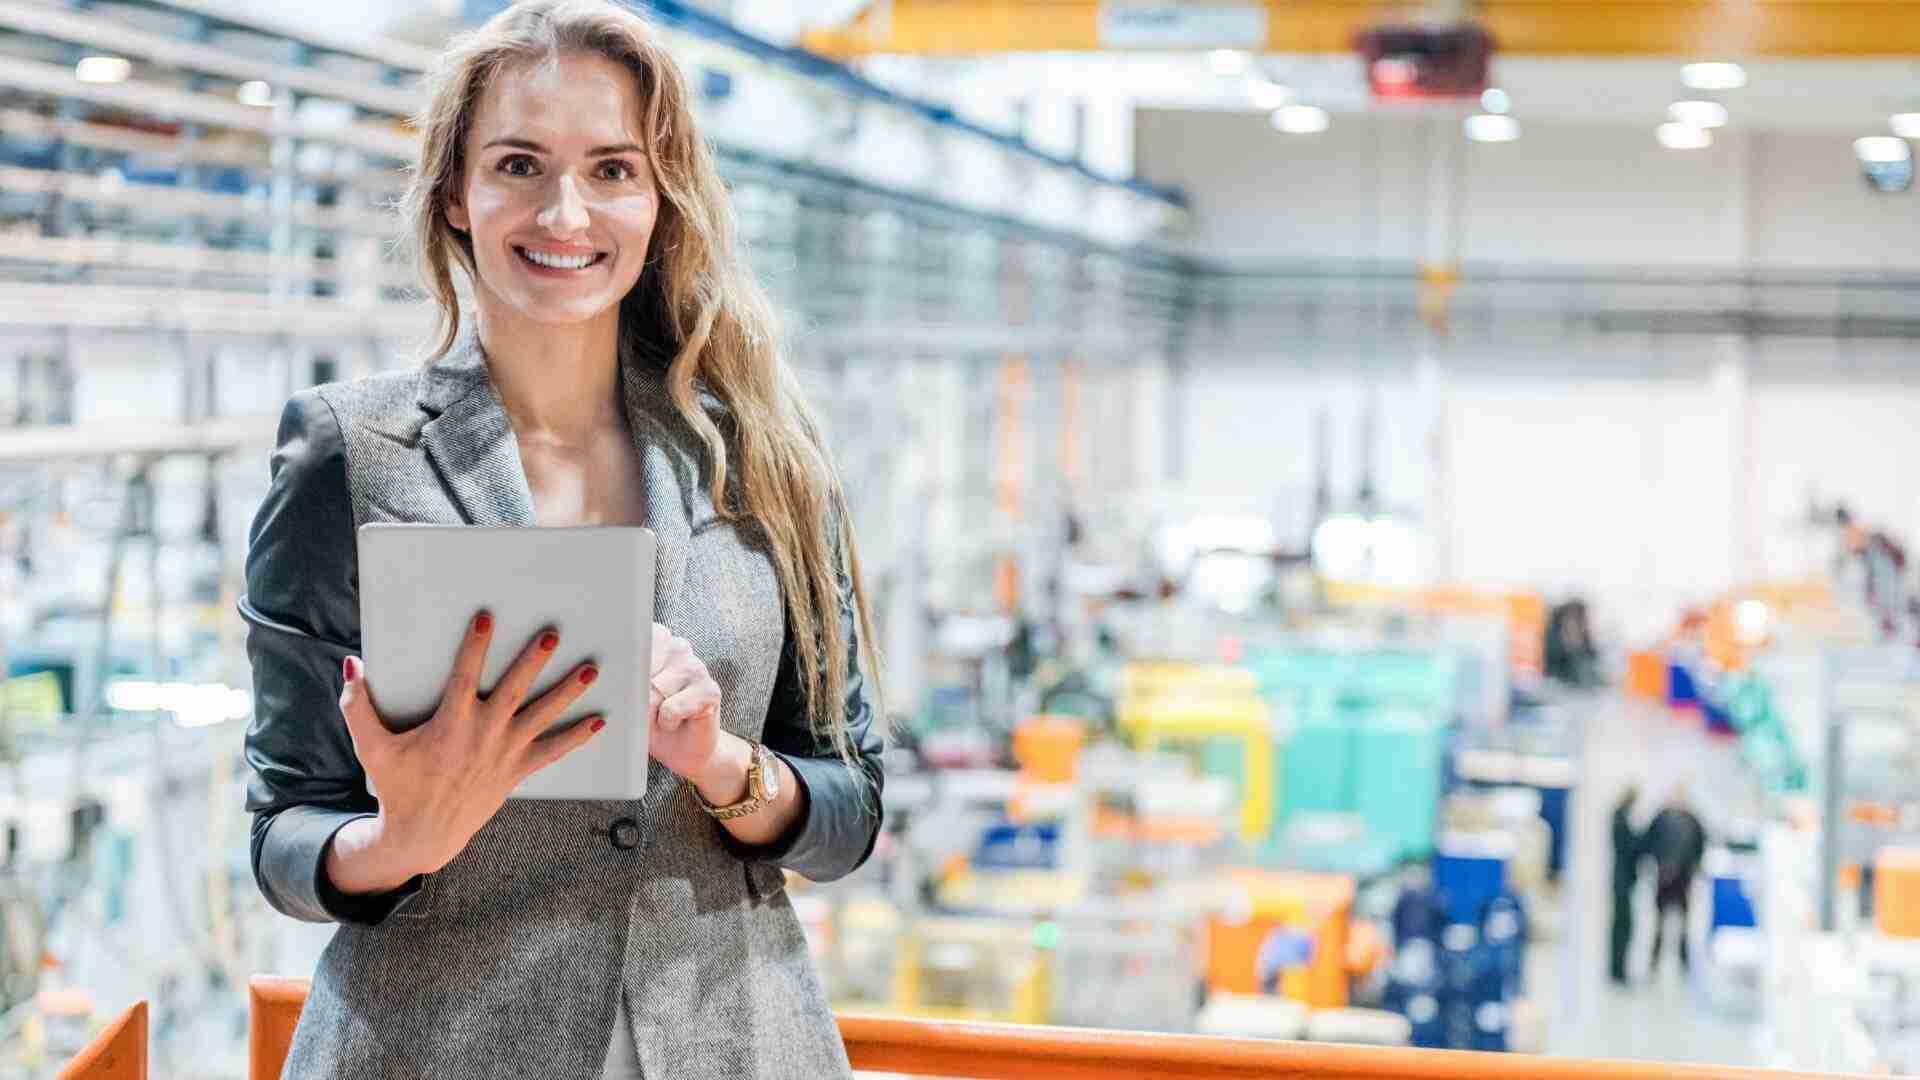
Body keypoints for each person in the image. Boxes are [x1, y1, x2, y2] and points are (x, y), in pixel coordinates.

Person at [238, 3, 885, 1076]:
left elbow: (850, 807)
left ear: (662, 198)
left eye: (613, 170)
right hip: (432, 1049)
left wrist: (720, 763)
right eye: (519, 165)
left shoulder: (765, 459)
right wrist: (399, 843)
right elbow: (283, 829)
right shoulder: (348, 453)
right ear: (455, 192)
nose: (566, 212)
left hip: (731, 1042)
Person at [1643, 787, 1706, 974]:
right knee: (1660, 922)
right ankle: (1655, 962)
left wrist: (1693, 866)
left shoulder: (1692, 820)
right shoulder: (1661, 818)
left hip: (1683, 879)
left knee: (1683, 923)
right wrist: (1659, 863)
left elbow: (1700, 844)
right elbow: (1649, 842)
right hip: (1664, 878)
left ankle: (1683, 962)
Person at [1608, 784, 1640, 985]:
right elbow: (1629, 847)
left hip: (1624, 879)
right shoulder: (1621, 819)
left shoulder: (1621, 817)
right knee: (1623, 926)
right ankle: (1617, 970)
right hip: (1622, 880)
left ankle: (1618, 968)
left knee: (1623, 925)